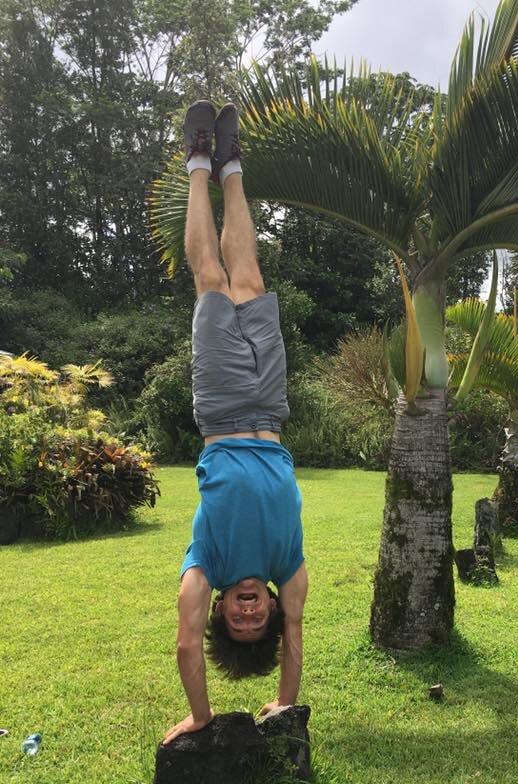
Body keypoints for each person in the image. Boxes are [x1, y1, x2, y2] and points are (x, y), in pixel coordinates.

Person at [162, 100, 308, 746]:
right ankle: (233, 168)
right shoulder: (289, 565)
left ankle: (199, 158)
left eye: (238, 617)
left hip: (222, 409)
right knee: (248, 277)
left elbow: (187, 644)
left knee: (210, 280)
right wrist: (283, 701)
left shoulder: (206, 566)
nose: (249, 609)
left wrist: (201, 716)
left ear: (220, 609)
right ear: (274, 608)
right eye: (258, 617)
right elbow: (297, 638)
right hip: (271, 409)